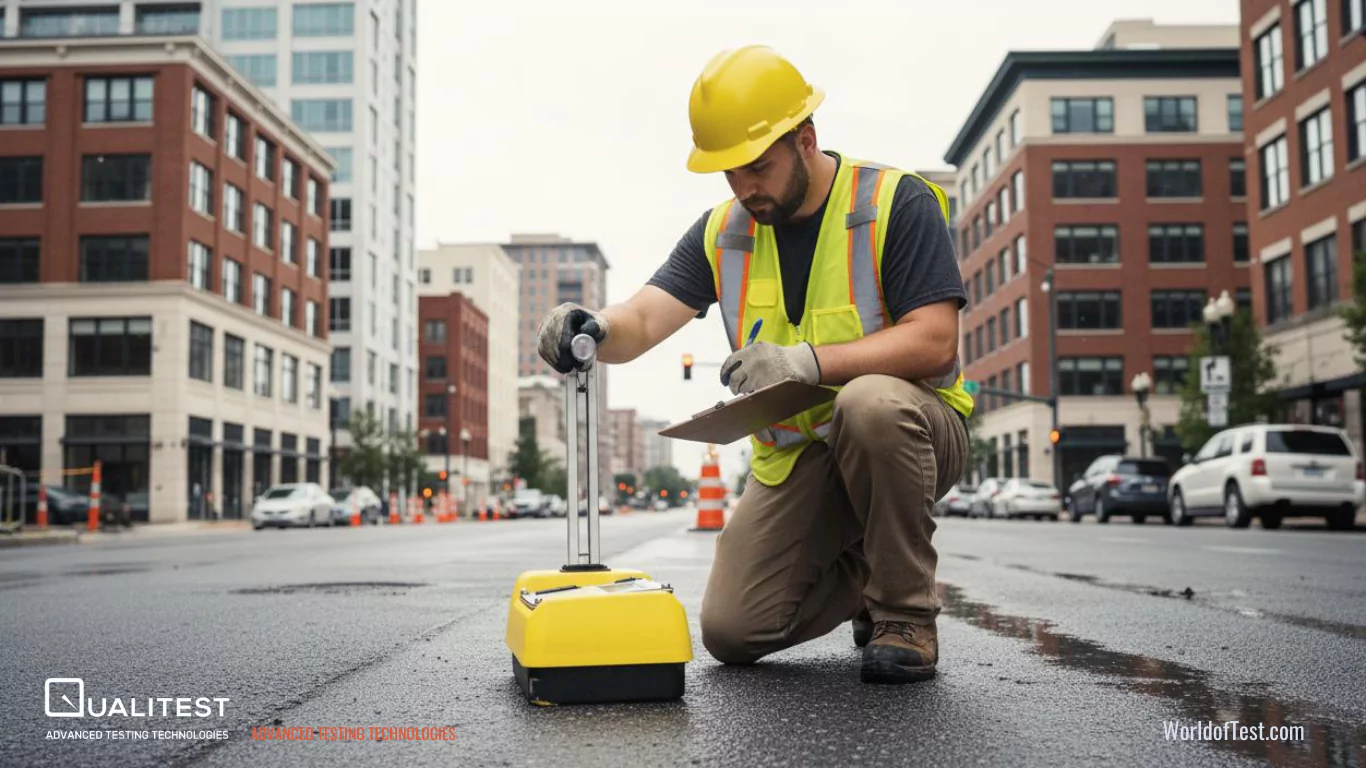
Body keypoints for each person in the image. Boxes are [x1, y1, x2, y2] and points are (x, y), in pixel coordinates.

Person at [535, 45, 972, 684]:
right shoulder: (724, 232)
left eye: (757, 168)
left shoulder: (895, 203)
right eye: (729, 174)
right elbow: (646, 319)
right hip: (800, 459)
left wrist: (805, 361)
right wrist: (595, 328)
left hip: (910, 435)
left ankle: (904, 614)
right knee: (733, 631)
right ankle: (870, 579)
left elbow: (935, 341)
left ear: (805, 139)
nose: (744, 188)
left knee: (869, 402)